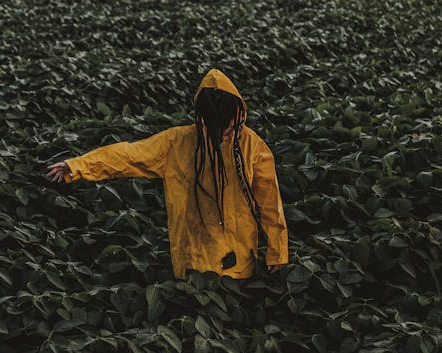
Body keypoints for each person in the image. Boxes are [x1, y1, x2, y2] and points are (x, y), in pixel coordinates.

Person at [47, 68, 288, 281]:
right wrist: (77, 165)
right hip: (194, 261)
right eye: (219, 123)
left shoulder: (253, 147)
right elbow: (128, 155)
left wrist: (277, 251)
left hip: (240, 261)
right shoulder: (178, 143)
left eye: (229, 123)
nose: (225, 130)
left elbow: (270, 203)